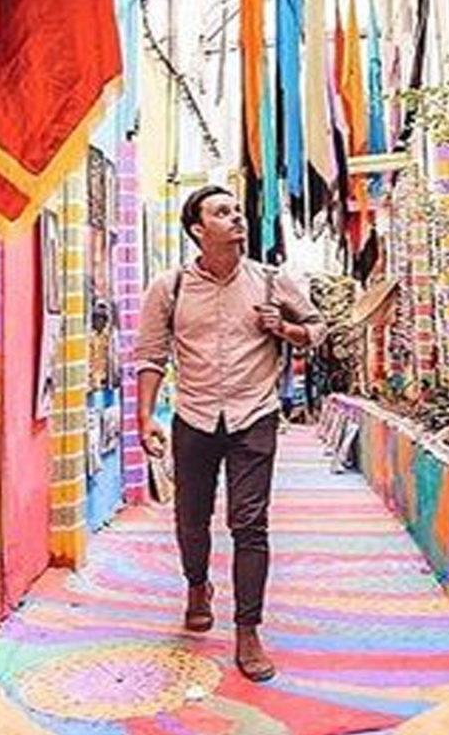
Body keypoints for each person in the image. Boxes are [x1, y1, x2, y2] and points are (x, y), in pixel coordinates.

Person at [134, 186, 327, 682]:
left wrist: (287, 330)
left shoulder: (271, 281)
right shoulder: (170, 287)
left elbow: (318, 328)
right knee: (191, 519)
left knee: (250, 523)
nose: (237, 217)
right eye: (223, 212)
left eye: (237, 210)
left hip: (254, 415)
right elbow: (151, 356)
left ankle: (247, 630)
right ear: (198, 230)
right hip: (194, 416)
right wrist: (145, 416)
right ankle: (197, 586)